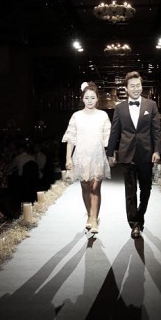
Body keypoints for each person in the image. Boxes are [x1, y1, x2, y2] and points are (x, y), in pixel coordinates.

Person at [107, 71, 161, 239]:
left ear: (141, 86)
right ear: (126, 88)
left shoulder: (151, 105)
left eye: (138, 85)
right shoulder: (119, 108)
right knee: (130, 191)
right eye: (132, 86)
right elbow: (115, 131)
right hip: (127, 154)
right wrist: (110, 153)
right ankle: (134, 224)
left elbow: (156, 131)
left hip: (146, 153)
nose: (136, 88)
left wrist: (157, 150)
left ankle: (140, 214)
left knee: (146, 188)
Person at [62, 82, 111, 234]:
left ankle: (95, 219)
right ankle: (89, 214)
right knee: (85, 187)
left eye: (93, 97)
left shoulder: (103, 115)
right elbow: (71, 139)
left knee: (95, 188)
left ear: (97, 99)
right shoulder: (76, 116)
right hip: (81, 156)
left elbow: (108, 138)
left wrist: (111, 155)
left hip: (97, 156)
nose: (90, 101)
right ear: (82, 98)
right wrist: (68, 158)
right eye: (87, 97)